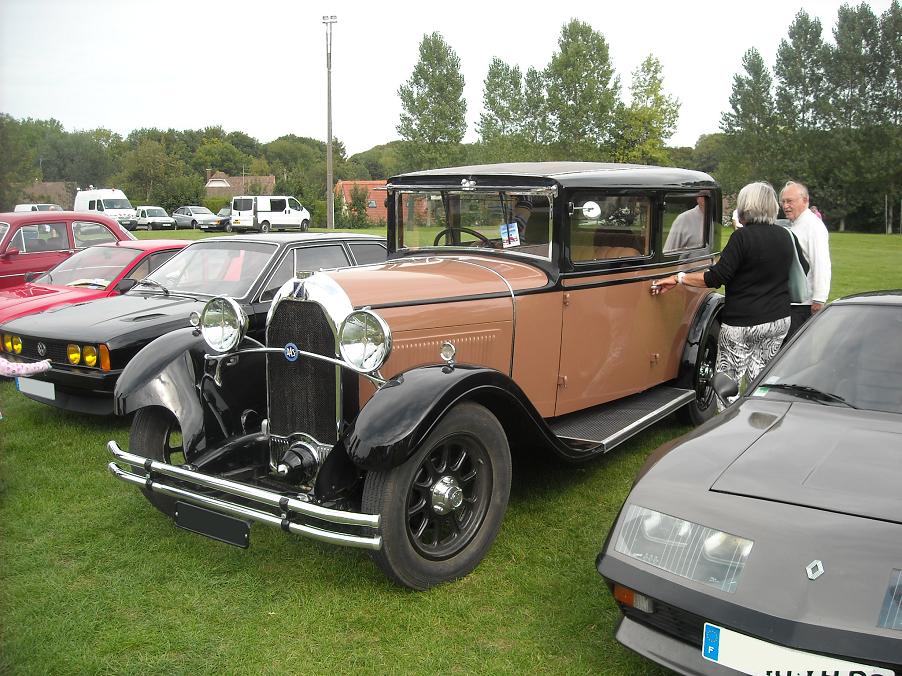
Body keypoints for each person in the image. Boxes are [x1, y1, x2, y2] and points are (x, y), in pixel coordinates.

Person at [652, 182, 795, 397]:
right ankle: (760, 412)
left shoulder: (742, 238)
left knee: (729, 381)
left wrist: (678, 278)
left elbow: (716, 277)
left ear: (746, 206)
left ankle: (732, 415)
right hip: (778, 319)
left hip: (744, 322)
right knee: (761, 376)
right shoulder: (785, 235)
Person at [780, 181, 831, 339]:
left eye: (790, 201)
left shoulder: (813, 226)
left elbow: (821, 263)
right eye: (783, 202)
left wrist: (819, 299)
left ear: (805, 200)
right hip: (790, 302)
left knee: (793, 347)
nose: (785, 206)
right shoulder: (796, 224)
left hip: (803, 305)